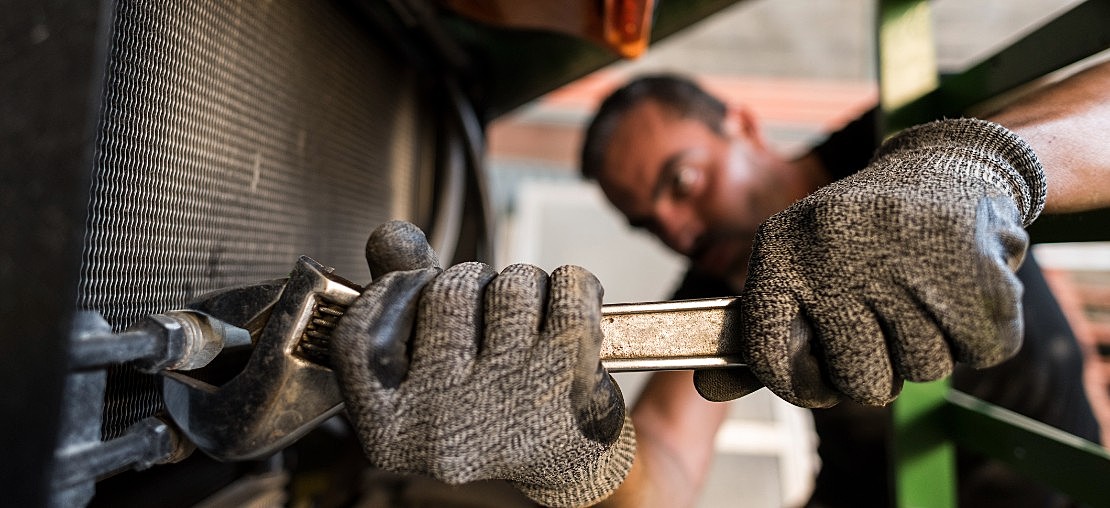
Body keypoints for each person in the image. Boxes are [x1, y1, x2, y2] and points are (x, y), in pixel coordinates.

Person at [328, 60, 1110, 508]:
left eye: (684, 180)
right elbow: (662, 465)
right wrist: (576, 459)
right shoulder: (705, 290)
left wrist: (982, 163)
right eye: (648, 221)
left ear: (741, 124)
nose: (676, 225)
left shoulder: (898, 140)